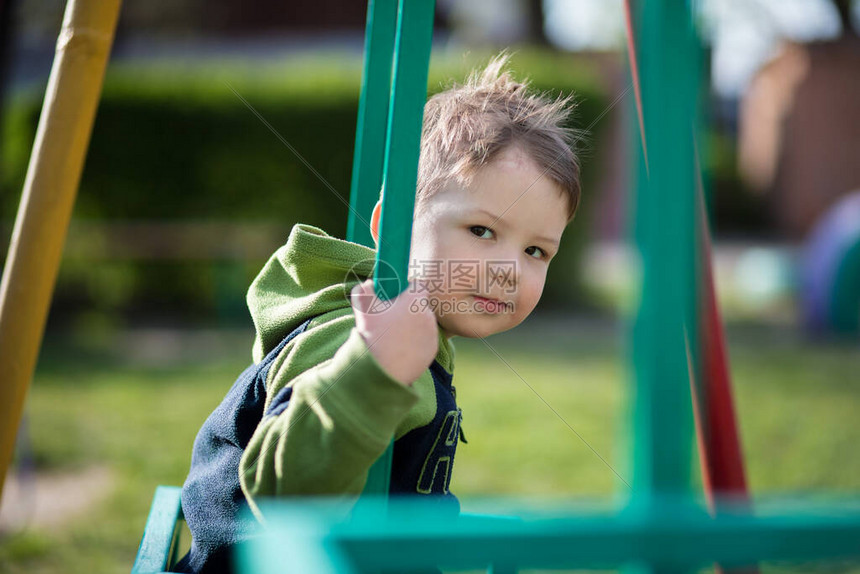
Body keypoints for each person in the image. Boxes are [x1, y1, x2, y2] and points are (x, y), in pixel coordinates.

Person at [175, 52, 583, 574]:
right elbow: (287, 494)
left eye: (536, 252)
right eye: (482, 231)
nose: (508, 270)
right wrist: (373, 370)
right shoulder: (352, 335)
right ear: (392, 222)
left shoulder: (411, 327)